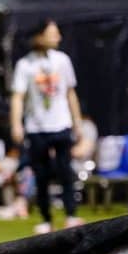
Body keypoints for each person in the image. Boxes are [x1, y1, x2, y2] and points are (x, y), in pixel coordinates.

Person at [10, 19, 85, 234]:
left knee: (65, 171)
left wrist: (77, 121)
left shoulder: (63, 61)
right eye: (52, 33)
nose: (57, 37)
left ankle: (71, 214)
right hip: (37, 127)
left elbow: (71, 93)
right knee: (41, 174)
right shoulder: (25, 65)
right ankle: (45, 218)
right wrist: (17, 123)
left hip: (61, 124)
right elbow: (18, 96)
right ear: (39, 36)